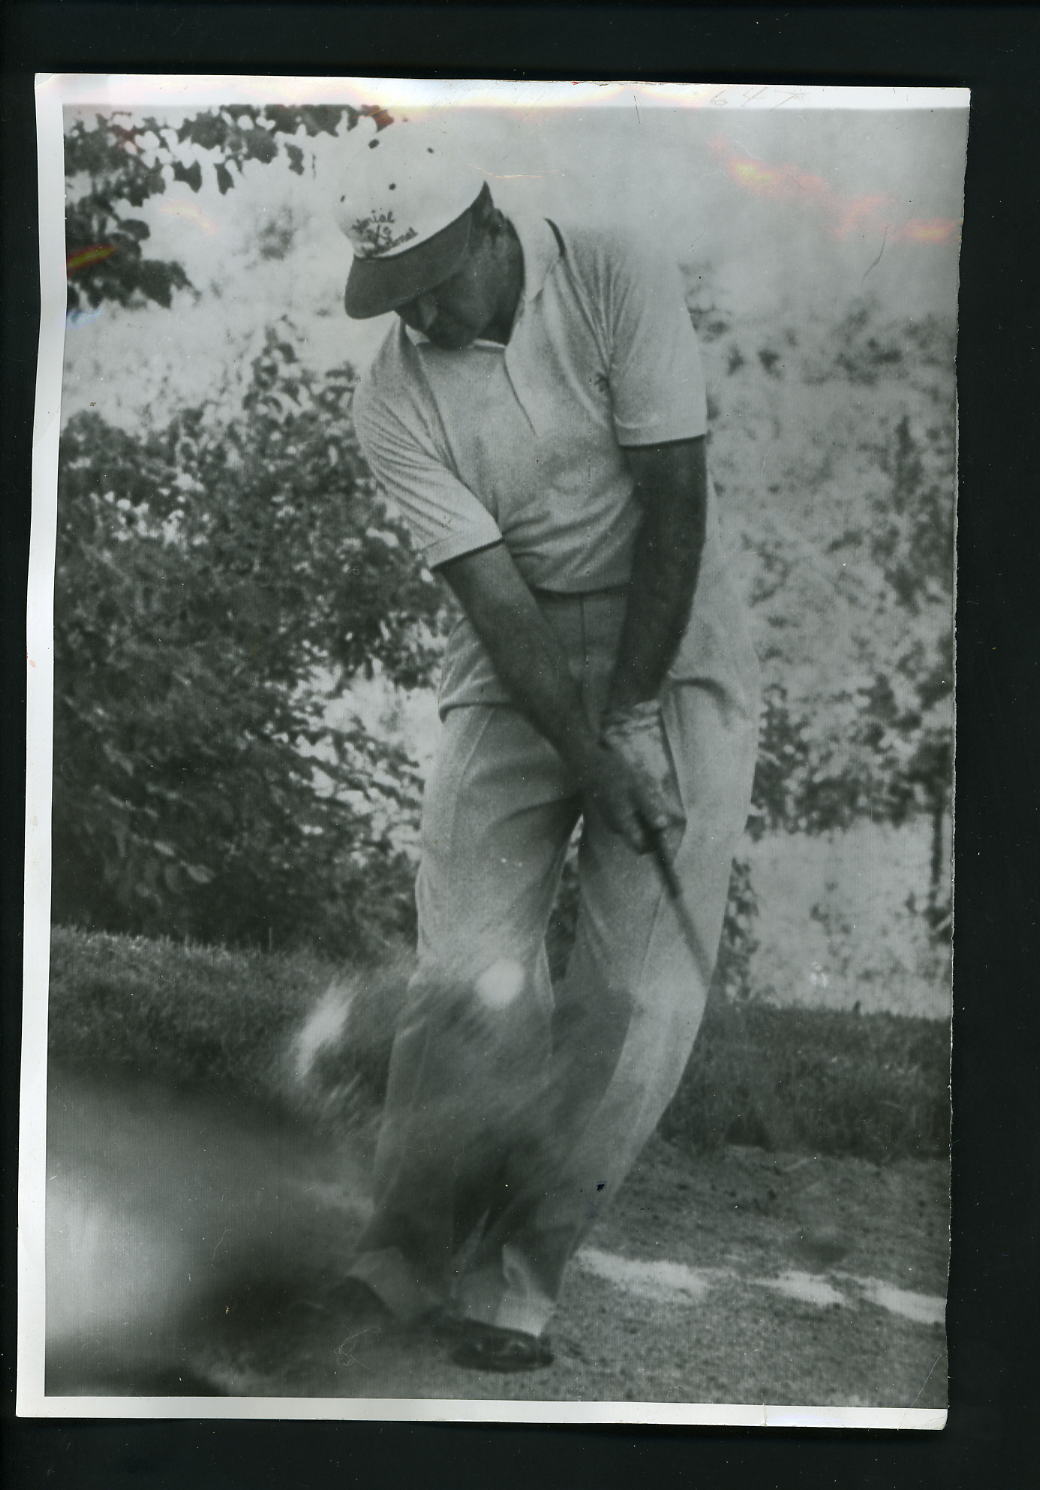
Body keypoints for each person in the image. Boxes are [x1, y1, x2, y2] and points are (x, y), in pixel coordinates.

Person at [332, 119, 760, 1372]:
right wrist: (586, 746)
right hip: (510, 648)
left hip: (670, 631)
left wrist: (631, 716)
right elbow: (494, 602)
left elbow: (675, 502)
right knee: (462, 964)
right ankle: (402, 1259)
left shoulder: (615, 273)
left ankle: (519, 1279)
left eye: (426, 281)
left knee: (630, 991)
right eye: (389, 294)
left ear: (486, 227)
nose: (412, 316)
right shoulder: (391, 396)